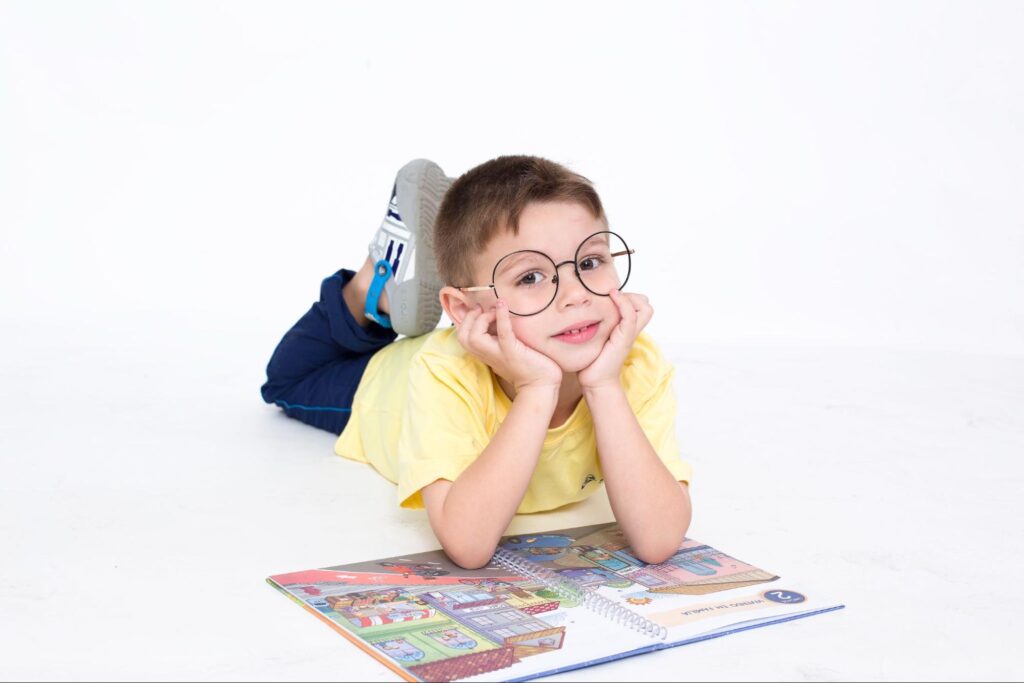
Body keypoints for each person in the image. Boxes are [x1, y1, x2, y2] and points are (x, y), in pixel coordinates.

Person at [261, 155, 693, 569]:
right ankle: (373, 285)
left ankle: (431, 261)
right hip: (381, 388)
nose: (577, 294)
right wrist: (537, 389)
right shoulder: (445, 372)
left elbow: (658, 540)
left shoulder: (635, 362)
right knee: (287, 380)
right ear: (465, 310)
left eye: (590, 261)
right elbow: (468, 544)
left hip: (474, 327)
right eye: (531, 276)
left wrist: (604, 386)